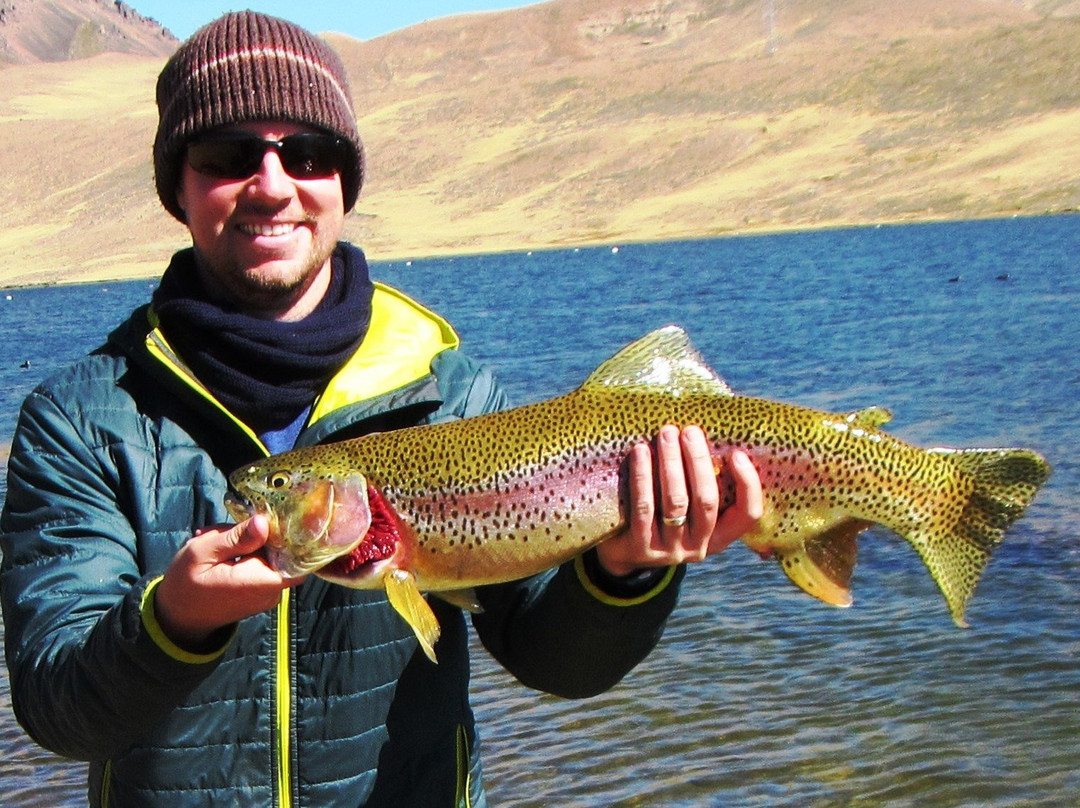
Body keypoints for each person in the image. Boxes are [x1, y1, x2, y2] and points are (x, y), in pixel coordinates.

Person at [0, 11, 763, 807]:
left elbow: (558, 664)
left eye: (307, 153)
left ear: (343, 182)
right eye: (230, 155)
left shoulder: (449, 392)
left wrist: (624, 571)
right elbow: (58, 710)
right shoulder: (83, 419)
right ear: (177, 185)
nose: (272, 183)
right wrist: (174, 620)